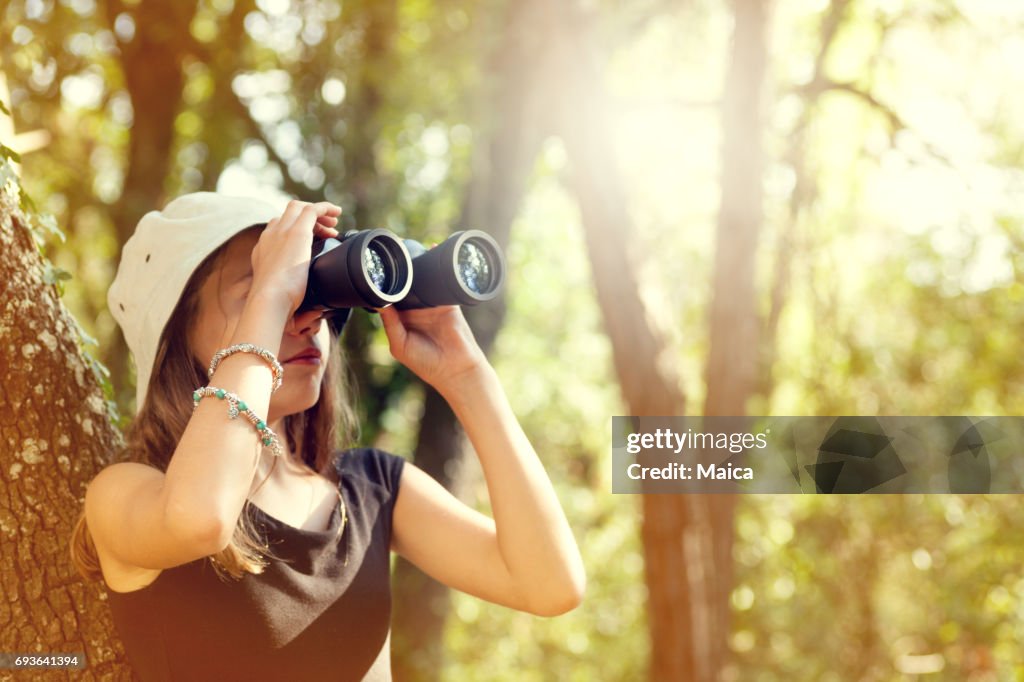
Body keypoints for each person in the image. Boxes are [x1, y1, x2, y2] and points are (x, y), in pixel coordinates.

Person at [69, 192, 585, 681]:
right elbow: (199, 520)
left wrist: (468, 377)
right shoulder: (126, 493)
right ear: (175, 338)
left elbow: (550, 585)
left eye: (312, 292)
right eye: (259, 294)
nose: (307, 315)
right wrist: (275, 292)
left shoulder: (373, 489)